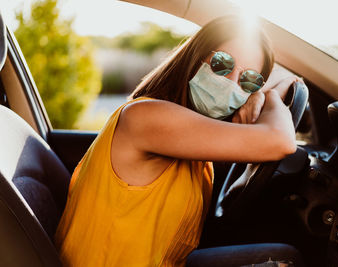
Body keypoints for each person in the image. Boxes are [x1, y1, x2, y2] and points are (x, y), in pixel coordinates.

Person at [54, 15, 303, 266]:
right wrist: (268, 97)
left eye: (248, 80)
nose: (230, 83)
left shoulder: (193, 147)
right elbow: (280, 141)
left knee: (283, 255)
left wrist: (261, 94)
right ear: (196, 57)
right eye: (221, 63)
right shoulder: (147, 118)